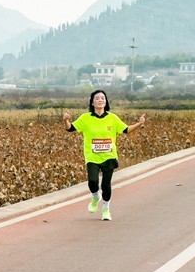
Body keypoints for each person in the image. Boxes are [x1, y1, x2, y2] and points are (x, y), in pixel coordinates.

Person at [61, 89, 146, 221]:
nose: (100, 100)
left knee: (106, 185)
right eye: (97, 98)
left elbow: (126, 130)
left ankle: (106, 209)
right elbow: (70, 128)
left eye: (103, 98)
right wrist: (66, 120)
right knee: (93, 182)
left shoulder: (112, 118)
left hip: (109, 156)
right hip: (92, 156)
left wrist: (140, 123)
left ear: (106, 102)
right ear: (92, 102)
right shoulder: (85, 118)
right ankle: (95, 197)